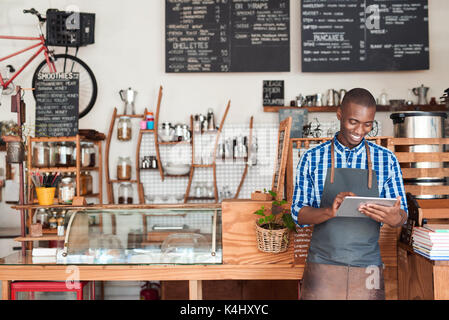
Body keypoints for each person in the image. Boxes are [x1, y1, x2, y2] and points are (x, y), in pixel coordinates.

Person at [291, 88, 408, 300]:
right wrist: (329, 211)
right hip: (322, 266)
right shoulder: (312, 158)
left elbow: (402, 215)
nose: (360, 130)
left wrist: (394, 218)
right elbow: (299, 214)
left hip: (368, 268)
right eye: (353, 121)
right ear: (339, 114)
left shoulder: (386, 160)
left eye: (367, 124)